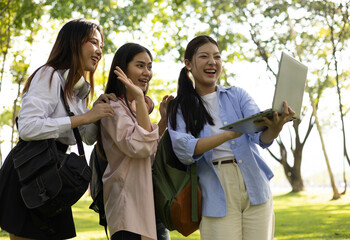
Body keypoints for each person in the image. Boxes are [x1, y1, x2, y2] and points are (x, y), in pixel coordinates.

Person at [167, 35, 295, 240]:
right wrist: (229, 134)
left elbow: (260, 137)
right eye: (204, 56)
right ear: (188, 64)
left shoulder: (237, 95)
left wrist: (276, 127)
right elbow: (184, 149)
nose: (212, 62)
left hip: (254, 182)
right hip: (215, 191)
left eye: (217, 57)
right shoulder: (180, 107)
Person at [0, 19, 116, 240]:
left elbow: (88, 138)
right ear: (73, 43)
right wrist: (84, 117)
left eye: (101, 45)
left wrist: (96, 111)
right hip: (30, 172)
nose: (99, 51)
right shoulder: (49, 75)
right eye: (93, 42)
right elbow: (27, 127)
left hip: (53, 175)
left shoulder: (77, 90)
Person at [97, 43, 172, 240]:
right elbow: (139, 148)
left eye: (149, 66)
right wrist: (140, 99)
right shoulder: (112, 109)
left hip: (151, 203)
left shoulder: (137, 109)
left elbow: (152, 152)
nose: (147, 72)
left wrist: (162, 123)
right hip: (128, 207)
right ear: (122, 68)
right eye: (140, 66)